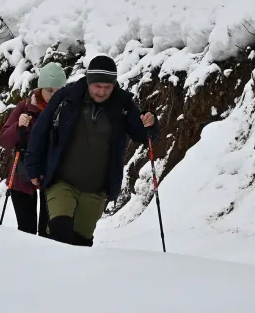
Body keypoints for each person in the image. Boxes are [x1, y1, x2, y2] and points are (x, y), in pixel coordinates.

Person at [24, 55, 159, 247]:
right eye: (97, 86)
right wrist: (34, 166)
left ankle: (77, 277)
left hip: (96, 189)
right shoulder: (67, 97)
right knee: (59, 234)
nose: (102, 92)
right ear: (88, 81)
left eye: (107, 87)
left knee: (81, 243)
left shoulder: (122, 105)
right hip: (62, 181)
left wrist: (151, 123)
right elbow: (40, 131)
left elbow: (143, 135)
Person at [0, 63, 67, 236]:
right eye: (50, 90)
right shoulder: (26, 107)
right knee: (25, 232)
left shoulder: (65, 110)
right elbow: (4, 140)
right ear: (41, 88)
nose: (54, 95)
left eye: (59, 91)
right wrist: (18, 125)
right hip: (23, 177)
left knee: (48, 233)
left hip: (51, 177)